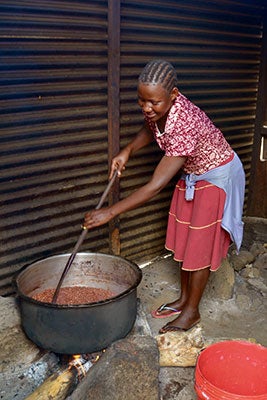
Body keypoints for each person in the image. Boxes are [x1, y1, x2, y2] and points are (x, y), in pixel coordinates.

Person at [83, 59, 245, 334]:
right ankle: (184, 300)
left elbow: (155, 185)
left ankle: (192, 312)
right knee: (185, 238)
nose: (147, 107)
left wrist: (109, 212)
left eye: (153, 102)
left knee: (200, 247)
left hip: (216, 178)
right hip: (194, 173)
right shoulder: (158, 106)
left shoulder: (185, 124)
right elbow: (151, 128)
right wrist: (128, 151)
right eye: (141, 100)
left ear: (174, 95)